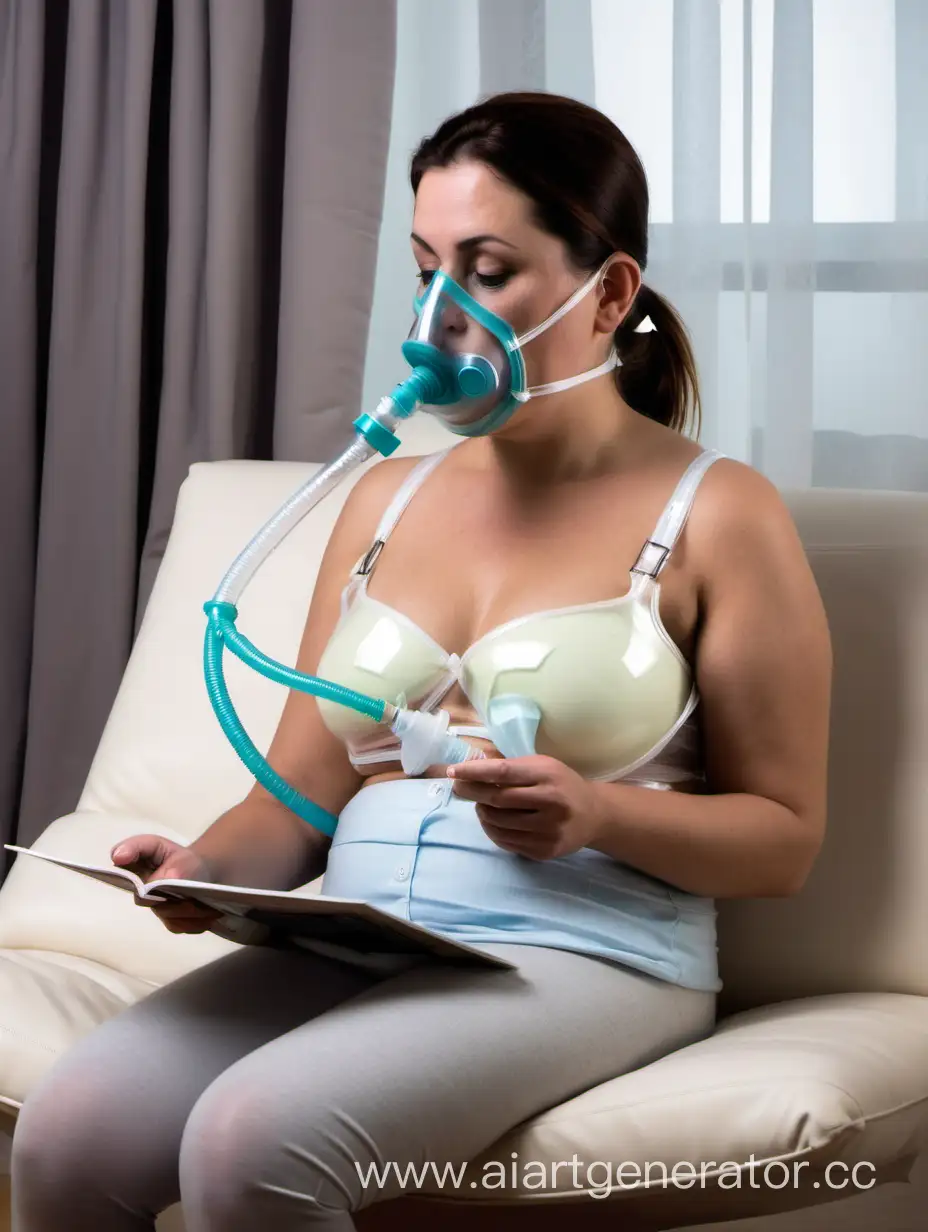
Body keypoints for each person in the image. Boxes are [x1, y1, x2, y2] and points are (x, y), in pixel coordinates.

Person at [10, 91, 832, 1232]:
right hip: (360, 930)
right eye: (423, 267)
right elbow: (296, 798)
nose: (441, 314)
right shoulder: (382, 499)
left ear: (609, 295)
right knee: (66, 1135)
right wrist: (201, 868)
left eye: (487, 270)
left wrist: (595, 812)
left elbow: (784, 837)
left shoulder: (717, 513)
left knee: (253, 1143)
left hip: (581, 951)